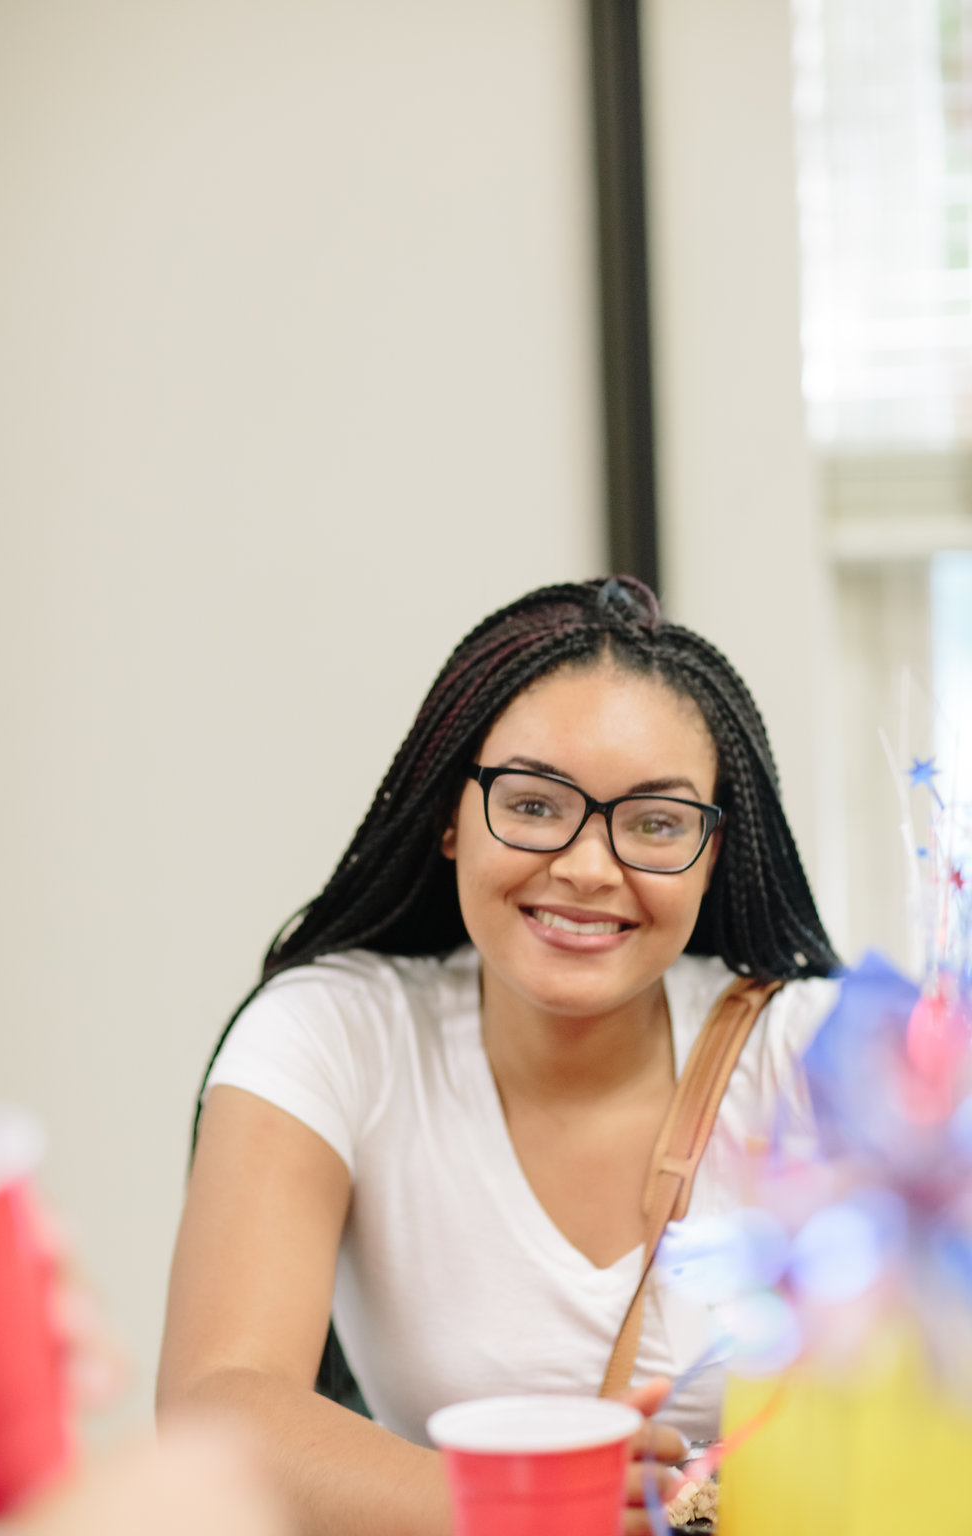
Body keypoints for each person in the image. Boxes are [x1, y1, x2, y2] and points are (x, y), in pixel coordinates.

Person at [156, 576, 840, 1536]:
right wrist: (545, 1507)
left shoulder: (814, 1053)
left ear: (715, 854)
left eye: (656, 823)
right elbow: (217, 1401)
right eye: (531, 804)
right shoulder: (334, 1033)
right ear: (450, 816)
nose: (590, 867)